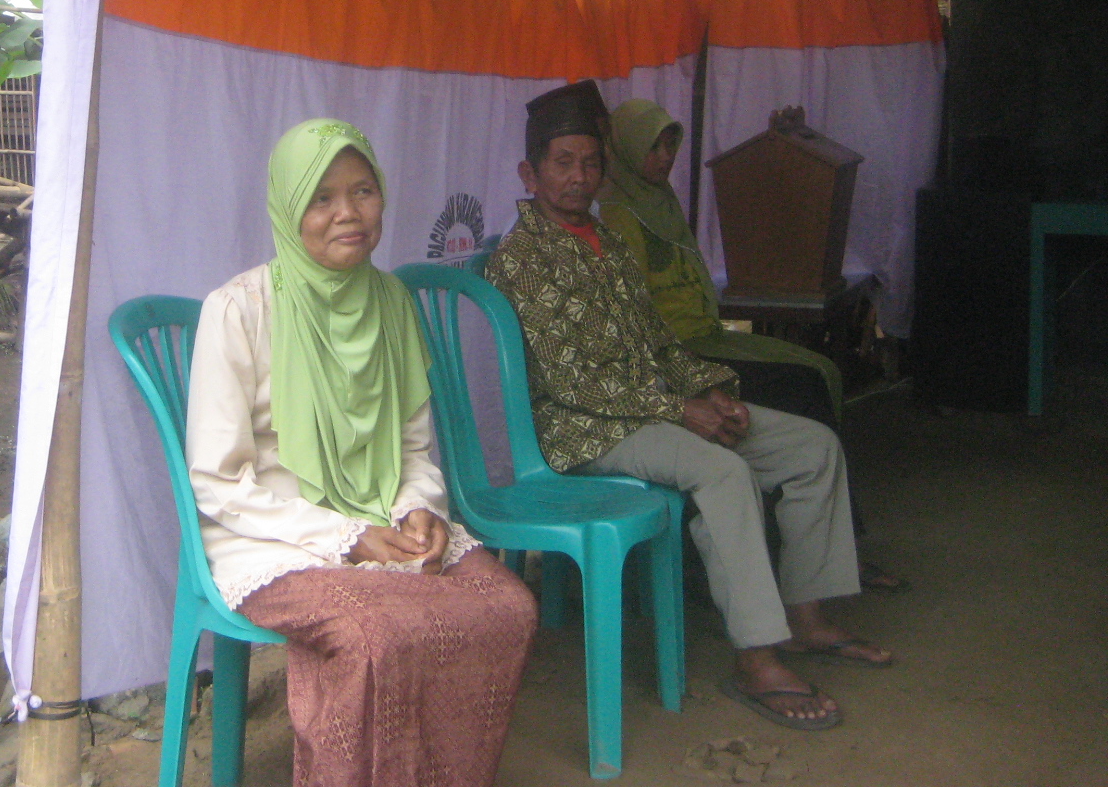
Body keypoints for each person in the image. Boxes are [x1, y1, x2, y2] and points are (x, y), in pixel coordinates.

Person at [484, 85, 893, 732]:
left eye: (591, 163)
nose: (579, 177)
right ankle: (756, 658)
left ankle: (806, 617)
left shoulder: (609, 245)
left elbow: (660, 343)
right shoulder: (522, 261)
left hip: (649, 410)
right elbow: (569, 383)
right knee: (723, 471)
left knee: (812, 446)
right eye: (563, 162)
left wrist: (709, 391)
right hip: (583, 432)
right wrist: (679, 410)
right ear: (529, 173)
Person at [187, 119, 537, 786]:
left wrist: (417, 511)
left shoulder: (392, 303)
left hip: (380, 518)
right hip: (271, 536)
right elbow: (219, 482)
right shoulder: (237, 311)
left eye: (363, 191)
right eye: (321, 197)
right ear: (290, 209)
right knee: (376, 635)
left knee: (506, 608)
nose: (347, 212)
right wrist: (345, 535)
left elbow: (411, 447)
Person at [598, 97, 906, 591]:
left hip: (704, 335)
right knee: (800, 386)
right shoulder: (616, 213)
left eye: (671, 145)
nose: (665, 158)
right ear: (630, 147)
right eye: (655, 146)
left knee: (818, 370)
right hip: (677, 351)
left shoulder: (658, 197)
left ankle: (829, 543)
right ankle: (810, 547)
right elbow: (636, 313)